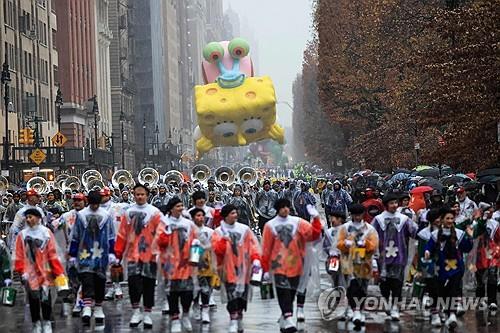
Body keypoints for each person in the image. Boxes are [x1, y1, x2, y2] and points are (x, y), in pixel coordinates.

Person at [261, 199, 323, 332]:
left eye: (287, 207)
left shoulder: (298, 222)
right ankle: (288, 317)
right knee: (283, 292)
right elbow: (266, 248)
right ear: (278, 209)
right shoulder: (270, 225)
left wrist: (316, 218)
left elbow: (314, 234)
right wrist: (265, 268)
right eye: (282, 207)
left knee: (293, 291)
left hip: (296, 264)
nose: (286, 210)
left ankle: (285, 317)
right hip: (278, 265)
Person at [115, 184, 162, 329]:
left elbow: (161, 234)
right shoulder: (128, 212)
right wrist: (118, 254)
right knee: (133, 284)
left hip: (150, 256)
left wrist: (160, 253)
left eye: (142, 194)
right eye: (137, 194)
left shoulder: (155, 212)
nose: (139, 197)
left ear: (147, 195)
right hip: (132, 256)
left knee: (148, 284)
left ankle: (147, 313)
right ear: (133, 195)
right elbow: (122, 234)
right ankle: (136, 311)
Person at [14, 208, 66, 333]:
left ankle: (47, 321)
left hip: (45, 271)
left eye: (31, 217)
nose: (28, 220)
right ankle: (36, 322)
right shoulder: (23, 235)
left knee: (45, 297)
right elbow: (19, 254)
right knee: (33, 299)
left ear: (38, 218)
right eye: (27, 218)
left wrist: (58, 271)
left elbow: (53, 253)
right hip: (30, 273)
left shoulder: (46, 233)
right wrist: (21, 271)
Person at [212, 204, 261, 333]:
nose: (235, 215)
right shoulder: (218, 231)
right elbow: (216, 250)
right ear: (226, 215)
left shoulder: (244, 229)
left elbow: (253, 245)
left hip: (243, 269)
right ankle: (233, 319)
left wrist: (256, 259)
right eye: (232, 213)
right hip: (227, 269)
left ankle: (239, 317)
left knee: (241, 297)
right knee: (231, 294)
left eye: (235, 213)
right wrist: (224, 239)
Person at [68, 191, 115, 325]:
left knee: (100, 281)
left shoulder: (106, 216)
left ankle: (99, 308)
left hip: (101, 254)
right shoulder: (81, 216)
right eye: (92, 204)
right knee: (86, 279)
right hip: (85, 253)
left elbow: (111, 235)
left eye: (96, 204)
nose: (94, 207)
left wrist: (112, 252)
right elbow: (76, 236)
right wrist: (72, 254)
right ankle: (87, 307)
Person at [424, 208, 473, 329]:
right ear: (442, 220)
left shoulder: (459, 233)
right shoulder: (435, 235)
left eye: (452, 218)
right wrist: (427, 252)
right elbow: (429, 246)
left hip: (456, 267)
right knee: (440, 291)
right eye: (447, 218)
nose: (450, 221)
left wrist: (470, 237)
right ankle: (437, 313)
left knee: (453, 290)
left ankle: (451, 315)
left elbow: (467, 248)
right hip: (440, 268)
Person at [372, 192, 417, 321]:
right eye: (391, 203)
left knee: (397, 283)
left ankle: (395, 307)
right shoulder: (378, 220)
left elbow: (414, 231)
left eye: (395, 203)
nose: (394, 205)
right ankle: (387, 302)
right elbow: (372, 236)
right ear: (386, 205)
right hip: (383, 258)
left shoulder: (404, 219)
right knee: (384, 283)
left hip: (400, 256)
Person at [156, 197, 198, 333]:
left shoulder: (188, 223)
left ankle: (185, 315)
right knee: (172, 292)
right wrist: (167, 234)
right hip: (170, 264)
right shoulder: (164, 223)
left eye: (181, 206)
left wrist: (195, 258)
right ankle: (175, 319)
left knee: (187, 292)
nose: (181, 208)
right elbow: (158, 242)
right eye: (178, 206)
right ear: (171, 208)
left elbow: (195, 241)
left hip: (186, 264)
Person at [337, 204, 379, 327]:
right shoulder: (345, 228)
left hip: (364, 261)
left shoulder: (369, 229)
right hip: (348, 260)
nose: (357, 217)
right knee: (352, 285)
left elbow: (374, 244)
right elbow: (338, 243)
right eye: (354, 214)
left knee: (363, 287)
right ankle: (354, 309)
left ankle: (360, 310)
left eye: (359, 214)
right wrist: (345, 243)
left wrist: (365, 243)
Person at [53, 193, 86, 317]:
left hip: (85, 251)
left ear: (85, 201)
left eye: (79, 200)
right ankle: (75, 293)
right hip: (70, 252)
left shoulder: (88, 215)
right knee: (72, 275)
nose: (77, 203)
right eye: (75, 201)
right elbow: (53, 226)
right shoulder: (67, 216)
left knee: (85, 276)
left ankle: (82, 301)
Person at [414, 208, 442, 326]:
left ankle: (440, 311)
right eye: (437, 218)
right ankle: (431, 311)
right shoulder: (423, 234)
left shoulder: (445, 231)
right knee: (428, 286)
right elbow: (421, 252)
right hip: (428, 265)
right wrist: (420, 269)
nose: (439, 220)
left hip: (443, 264)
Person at [471, 203, 499, 315]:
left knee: (492, 276)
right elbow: (475, 234)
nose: (491, 213)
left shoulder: (495, 224)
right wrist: (482, 220)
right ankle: (480, 300)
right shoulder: (475, 223)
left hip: (492, 254)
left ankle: (492, 301)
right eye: (488, 211)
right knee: (480, 278)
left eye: (492, 211)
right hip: (479, 255)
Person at [190, 207, 217, 324]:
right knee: (195, 286)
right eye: (197, 216)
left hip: (207, 263)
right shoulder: (189, 231)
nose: (200, 218)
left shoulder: (210, 232)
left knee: (207, 287)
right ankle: (195, 304)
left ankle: (205, 310)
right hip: (193, 263)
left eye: (202, 216)